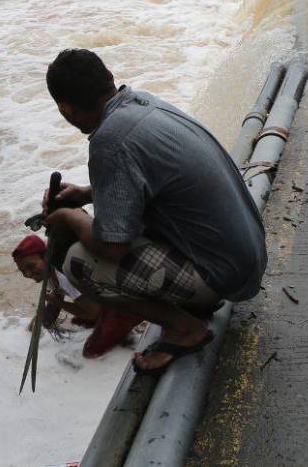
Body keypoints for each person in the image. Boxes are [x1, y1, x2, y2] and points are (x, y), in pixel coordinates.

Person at [41, 48, 267, 376]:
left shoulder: (109, 141)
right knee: (117, 230)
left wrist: (68, 218)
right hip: (245, 257)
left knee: (79, 259)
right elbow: (148, 181)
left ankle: (185, 328)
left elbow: (113, 247)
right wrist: (86, 194)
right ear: (108, 79)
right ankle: (193, 300)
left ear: (66, 109)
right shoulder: (140, 103)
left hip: (224, 276)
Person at [11, 234, 142, 358]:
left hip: (125, 302)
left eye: (31, 266)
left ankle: (129, 333)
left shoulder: (63, 274)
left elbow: (92, 313)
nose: (28, 274)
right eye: (23, 271)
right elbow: (55, 299)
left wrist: (56, 303)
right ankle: (116, 331)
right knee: (76, 323)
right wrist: (40, 324)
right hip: (105, 300)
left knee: (90, 352)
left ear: (46, 256)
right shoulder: (50, 272)